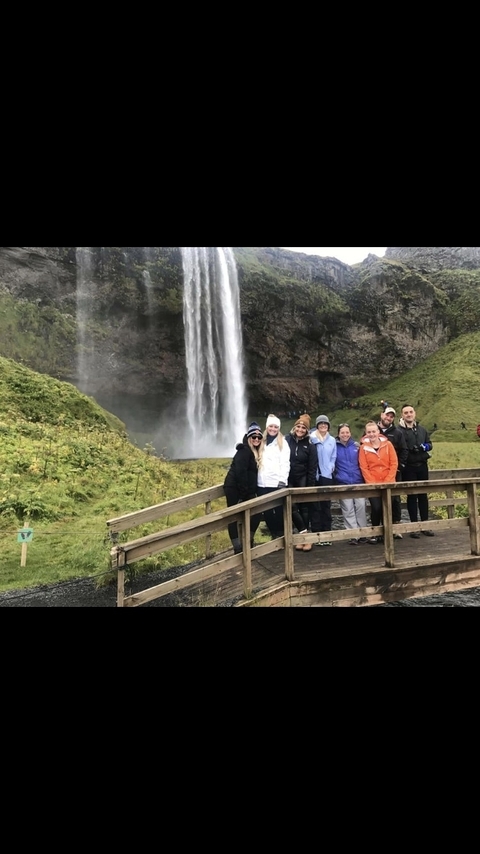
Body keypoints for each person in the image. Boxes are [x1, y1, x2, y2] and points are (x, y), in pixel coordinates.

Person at [223, 421, 263, 553]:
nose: (256, 439)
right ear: (248, 438)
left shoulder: (254, 452)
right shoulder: (244, 451)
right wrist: (243, 494)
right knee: (233, 516)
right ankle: (238, 548)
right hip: (234, 488)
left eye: (259, 437)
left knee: (257, 512)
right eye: (253, 437)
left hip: (243, 490)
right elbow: (240, 473)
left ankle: (248, 540)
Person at [358, 421, 398, 544]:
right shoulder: (363, 448)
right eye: (369, 432)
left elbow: (394, 463)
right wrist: (372, 483)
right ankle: (375, 533)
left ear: (378, 431)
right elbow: (364, 467)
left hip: (388, 482)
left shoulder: (388, 445)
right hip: (373, 483)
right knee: (376, 508)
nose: (371, 434)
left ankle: (386, 532)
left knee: (387, 508)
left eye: (374, 431)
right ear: (366, 433)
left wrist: (388, 481)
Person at [398, 404, 434, 538]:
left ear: (415, 413)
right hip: (409, 467)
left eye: (410, 412)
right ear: (402, 415)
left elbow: (430, 444)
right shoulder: (399, 431)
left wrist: (424, 447)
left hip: (422, 465)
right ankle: (414, 527)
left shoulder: (422, 430)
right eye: (406, 413)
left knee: (423, 495)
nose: (408, 414)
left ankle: (425, 525)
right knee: (412, 496)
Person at [285, 413, 317, 552]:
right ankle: (304, 534)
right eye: (298, 426)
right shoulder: (287, 440)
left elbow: (312, 466)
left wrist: (310, 485)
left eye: (303, 427)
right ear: (295, 427)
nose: (300, 429)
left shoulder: (310, 445)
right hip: (289, 477)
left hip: (303, 477)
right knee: (291, 506)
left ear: (307, 430)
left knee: (304, 508)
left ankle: (306, 540)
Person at [256, 414, 291, 539]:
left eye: (276, 427)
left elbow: (285, 463)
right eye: (271, 426)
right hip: (262, 483)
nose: (273, 429)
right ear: (266, 427)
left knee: (279, 511)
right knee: (267, 512)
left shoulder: (283, 443)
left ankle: (281, 536)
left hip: (276, 483)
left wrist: (282, 480)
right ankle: (274, 535)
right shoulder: (261, 442)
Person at [334, 423, 368, 545]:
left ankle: (363, 532)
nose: (345, 434)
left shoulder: (356, 446)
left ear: (350, 433)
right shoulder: (334, 446)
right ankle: (353, 534)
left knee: (361, 507)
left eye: (347, 432)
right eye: (342, 432)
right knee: (348, 509)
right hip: (343, 482)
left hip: (358, 481)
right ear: (338, 434)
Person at [377, 406, 408, 539]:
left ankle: (395, 526)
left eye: (391, 416)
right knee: (377, 499)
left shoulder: (397, 433)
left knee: (394, 499)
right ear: (381, 415)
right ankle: (379, 528)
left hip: (393, 471)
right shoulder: (373, 430)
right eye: (387, 415)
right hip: (377, 472)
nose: (388, 418)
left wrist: (400, 466)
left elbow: (404, 450)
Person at [309, 414, 337, 546]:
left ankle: (327, 534)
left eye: (325, 424)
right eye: (320, 424)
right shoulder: (311, 438)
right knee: (315, 505)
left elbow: (334, 456)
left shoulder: (331, 440)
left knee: (326, 505)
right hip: (314, 475)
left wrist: (331, 466)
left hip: (326, 475)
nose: (323, 425)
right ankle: (316, 534)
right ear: (317, 425)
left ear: (328, 426)